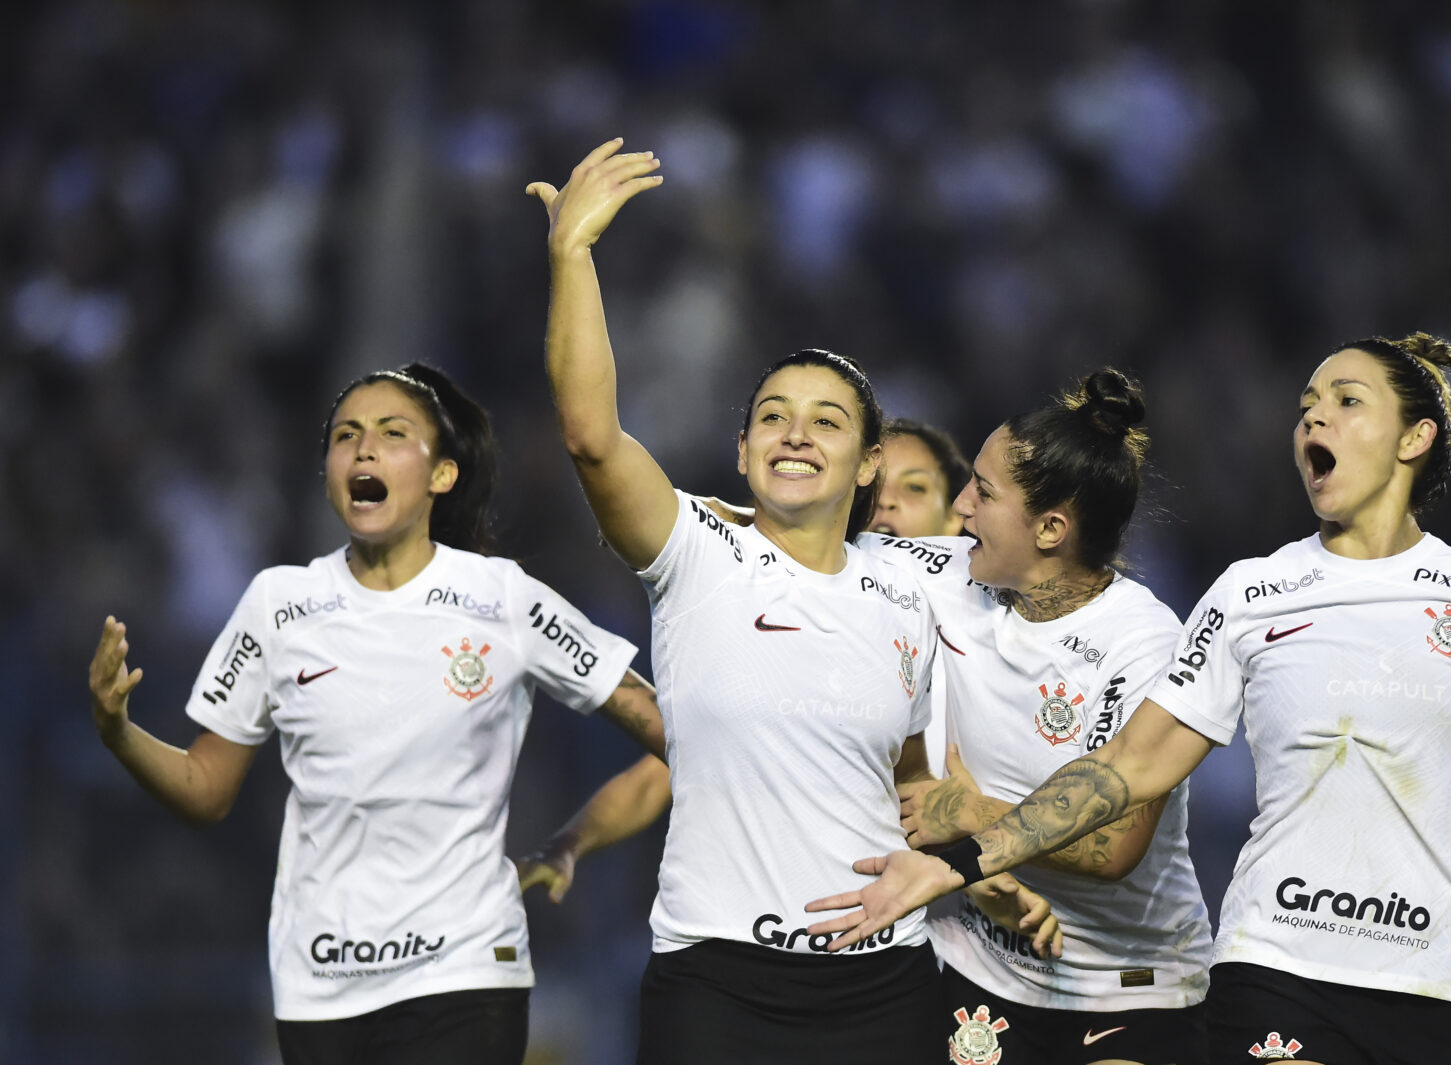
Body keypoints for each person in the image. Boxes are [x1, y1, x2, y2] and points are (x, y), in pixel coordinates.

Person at [807, 333, 1451, 1065]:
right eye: (1305, 406)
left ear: (1414, 438)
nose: (1313, 414)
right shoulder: (1252, 593)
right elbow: (1129, 767)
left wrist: (968, 829)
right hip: (1281, 963)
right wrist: (964, 858)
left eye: (1346, 399)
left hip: (1440, 977)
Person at [526, 139, 1055, 1065]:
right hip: (715, 982)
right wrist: (572, 258)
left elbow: (909, 782)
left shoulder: (920, 583)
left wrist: (989, 866)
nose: (796, 433)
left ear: (868, 465)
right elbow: (591, 437)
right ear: (740, 451)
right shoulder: (695, 549)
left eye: (827, 420)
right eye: (772, 415)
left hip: (883, 977)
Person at [87, 364, 665, 1065]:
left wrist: (573, 840)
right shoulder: (278, 605)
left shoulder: (502, 598)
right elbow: (206, 788)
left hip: (467, 969)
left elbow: (673, 731)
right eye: (346, 436)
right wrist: (119, 732)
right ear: (329, 472)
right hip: (322, 981)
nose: (363, 450)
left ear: (441, 475)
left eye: (393, 434)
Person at [869, 369, 1210, 1065]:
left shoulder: (1143, 642)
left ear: (1052, 527)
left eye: (985, 492)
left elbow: (1115, 845)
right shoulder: (944, 572)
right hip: (980, 968)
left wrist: (970, 811)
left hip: (1131, 985)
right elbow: (802, 550)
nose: (960, 506)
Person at [517, 416, 972, 903]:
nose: (889, 500)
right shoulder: (820, 631)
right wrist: (568, 844)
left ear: (957, 520)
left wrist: (982, 838)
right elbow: (674, 767)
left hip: (973, 945)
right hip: (859, 926)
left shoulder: (994, 642)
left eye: (916, 487)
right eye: (881, 485)